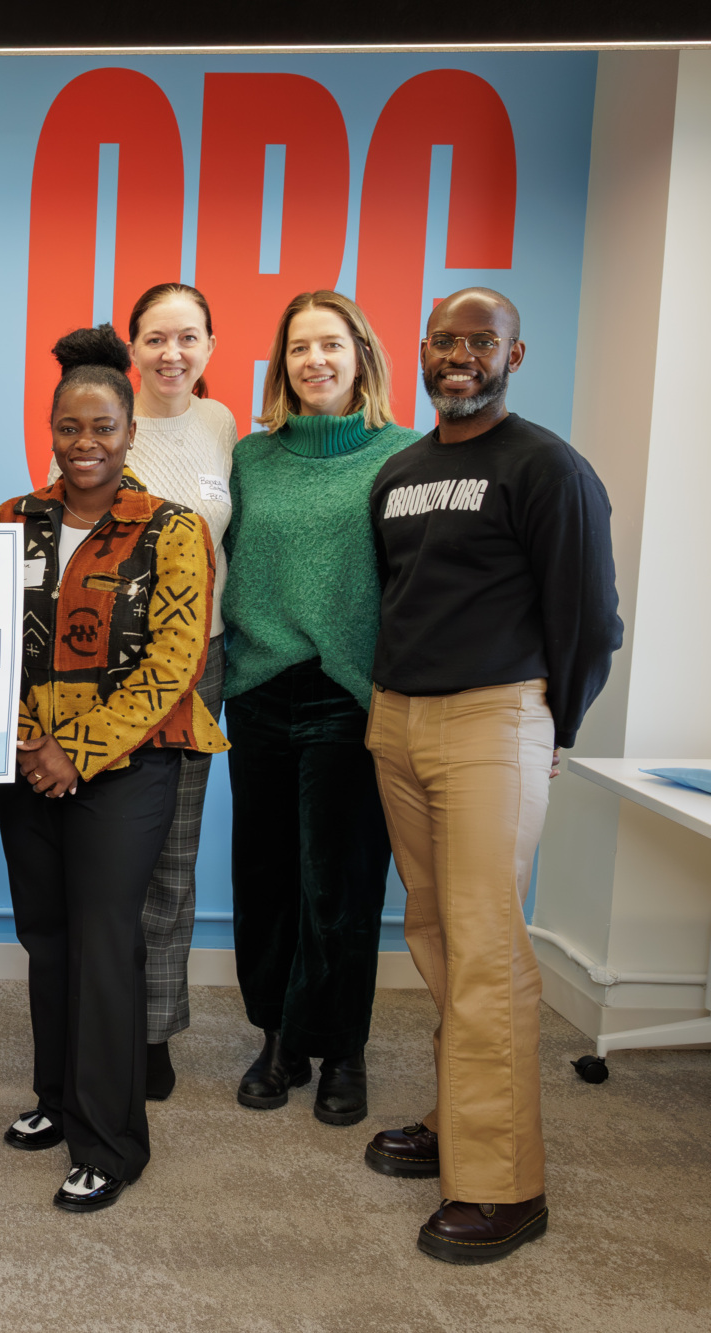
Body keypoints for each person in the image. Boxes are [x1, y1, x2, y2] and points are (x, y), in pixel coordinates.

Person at [363, 289, 620, 1264]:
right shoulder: (400, 472)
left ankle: (501, 1181)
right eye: (444, 340)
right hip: (397, 719)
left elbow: (588, 617)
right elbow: (395, 597)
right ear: (421, 351)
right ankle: (459, 1113)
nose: (459, 354)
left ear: (516, 351)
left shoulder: (545, 466)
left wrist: (550, 724)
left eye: (480, 340)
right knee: (432, 934)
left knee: (483, 942)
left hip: (492, 719)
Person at [0, 326, 227, 1211]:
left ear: (130, 432)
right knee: (46, 937)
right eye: (68, 427)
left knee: (104, 944)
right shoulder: (11, 522)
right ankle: (58, 1101)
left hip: (126, 771)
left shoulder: (172, 529)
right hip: (23, 763)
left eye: (102, 427)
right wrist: (25, 741)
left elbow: (174, 663)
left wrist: (74, 752)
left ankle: (113, 1139)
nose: (84, 444)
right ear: (49, 429)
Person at [221, 290, 418, 1127]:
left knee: (338, 885)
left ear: (362, 356)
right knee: (265, 878)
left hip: (350, 691)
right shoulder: (249, 459)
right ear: (283, 364)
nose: (316, 361)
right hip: (261, 687)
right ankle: (277, 1038)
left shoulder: (406, 456)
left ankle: (341, 1047)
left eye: (331, 345)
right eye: (300, 348)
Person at [50, 284, 237, 1100]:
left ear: (209, 345)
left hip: (199, 662)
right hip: (98, 675)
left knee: (172, 857)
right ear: (134, 347)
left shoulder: (225, 427)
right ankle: (98, 1021)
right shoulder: (95, 416)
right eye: (158, 337)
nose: (174, 352)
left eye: (189, 337)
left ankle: (152, 1029)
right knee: (106, 859)